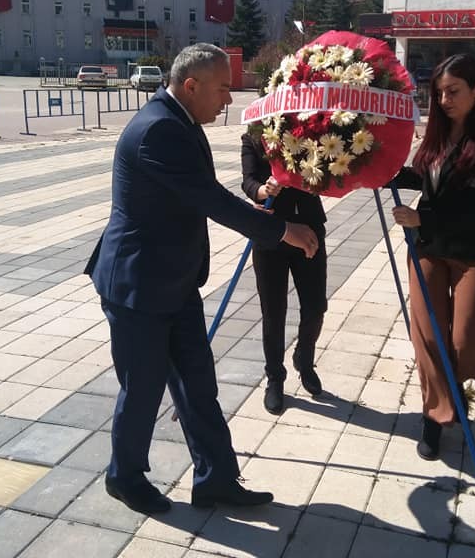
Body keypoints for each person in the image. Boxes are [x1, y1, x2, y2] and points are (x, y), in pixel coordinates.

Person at [85, 43, 318, 515]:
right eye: (223, 88)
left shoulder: (180, 122)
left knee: (197, 384)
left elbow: (201, 198)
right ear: (191, 86)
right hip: (140, 287)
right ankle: (124, 476)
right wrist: (283, 231)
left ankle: (215, 479)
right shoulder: (158, 131)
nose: (229, 99)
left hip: (175, 282)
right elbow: (212, 199)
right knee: (144, 388)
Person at [391, 53, 475, 461]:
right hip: (429, 251)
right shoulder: (437, 138)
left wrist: (422, 217)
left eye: (453, 91)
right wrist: (380, 167)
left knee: (465, 340)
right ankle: (435, 417)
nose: (444, 100)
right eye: (439, 93)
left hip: (472, 252)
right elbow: (422, 176)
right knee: (427, 335)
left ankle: (455, 386)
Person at [241, 131, 327, 415]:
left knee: (315, 306)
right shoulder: (253, 137)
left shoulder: (310, 129)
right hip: (270, 231)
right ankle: (275, 378)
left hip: (309, 227)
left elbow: (328, 166)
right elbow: (249, 181)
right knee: (274, 311)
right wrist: (265, 190)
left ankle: (304, 358)